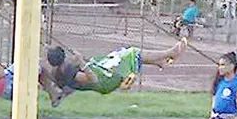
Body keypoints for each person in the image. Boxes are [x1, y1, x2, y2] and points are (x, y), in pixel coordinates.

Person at [46, 38, 187, 97]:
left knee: (120, 53)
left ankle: (159, 62)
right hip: (106, 81)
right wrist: (82, 63)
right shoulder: (69, 71)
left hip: (102, 75)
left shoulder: (57, 71)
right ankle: (170, 53)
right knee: (132, 52)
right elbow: (93, 80)